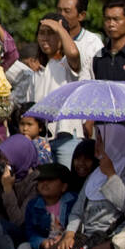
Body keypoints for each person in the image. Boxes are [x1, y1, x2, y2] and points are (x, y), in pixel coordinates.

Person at [92, 0, 125, 162]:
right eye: (107, 19)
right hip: (107, 135)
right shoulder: (99, 57)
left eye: (116, 19)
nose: (111, 24)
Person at [33, 14, 84, 165]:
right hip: (42, 139)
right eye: (42, 33)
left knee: (67, 180)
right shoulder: (38, 69)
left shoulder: (66, 63)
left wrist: (60, 28)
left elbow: (73, 54)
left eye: (52, 33)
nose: (45, 38)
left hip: (67, 136)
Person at [56, 0, 103, 80]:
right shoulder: (51, 39)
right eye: (59, 10)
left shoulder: (93, 42)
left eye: (67, 11)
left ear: (81, 16)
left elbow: (99, 74)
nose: (61, 15)